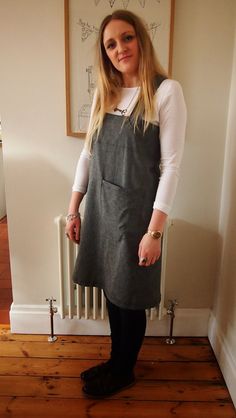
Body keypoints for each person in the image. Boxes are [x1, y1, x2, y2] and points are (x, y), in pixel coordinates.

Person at [65, 9, 187, 398]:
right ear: (105, 53)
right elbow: (87, 156)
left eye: (127, 38)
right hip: (101, 211)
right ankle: (117, 360)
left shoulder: (166, 92)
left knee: (130, 298)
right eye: (111, 44)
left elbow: (171, 168)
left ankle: (124, 370)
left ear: (141, 39)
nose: (120, 48)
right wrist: (74, 208)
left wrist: (155, 232)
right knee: (111, 293)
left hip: (136, 217)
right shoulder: (106, 90)